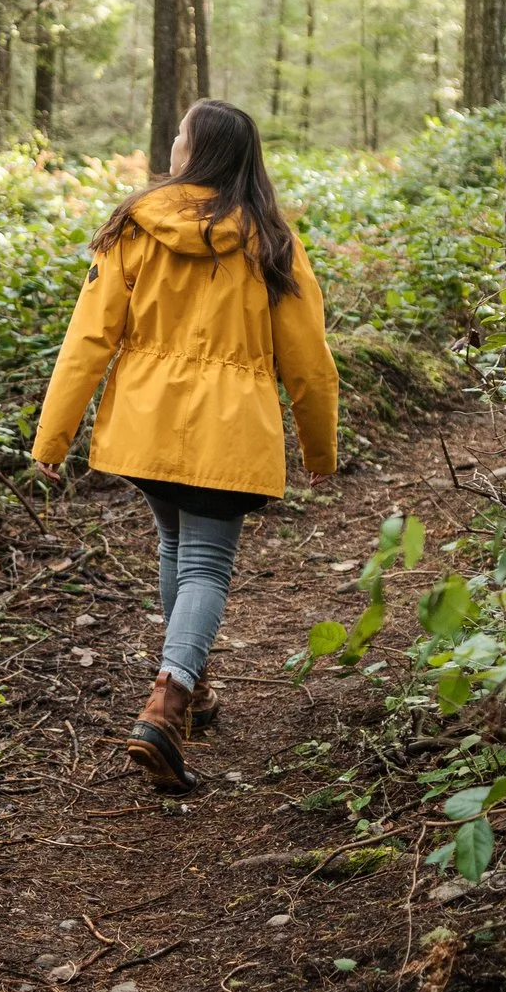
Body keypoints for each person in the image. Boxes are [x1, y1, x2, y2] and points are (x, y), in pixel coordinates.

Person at [29, 99, 340, 793]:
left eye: (181, 133)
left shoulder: (134, 224)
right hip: (228, 431)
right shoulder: (271, 240)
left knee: (178, 549)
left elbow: (88, 338)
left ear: (198, 150)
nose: (172, 142)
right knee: (201, 562)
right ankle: (169, 700)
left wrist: (55, 433)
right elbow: (310, 360)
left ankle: (191, 689)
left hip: (146, 424)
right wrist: (319, 447)